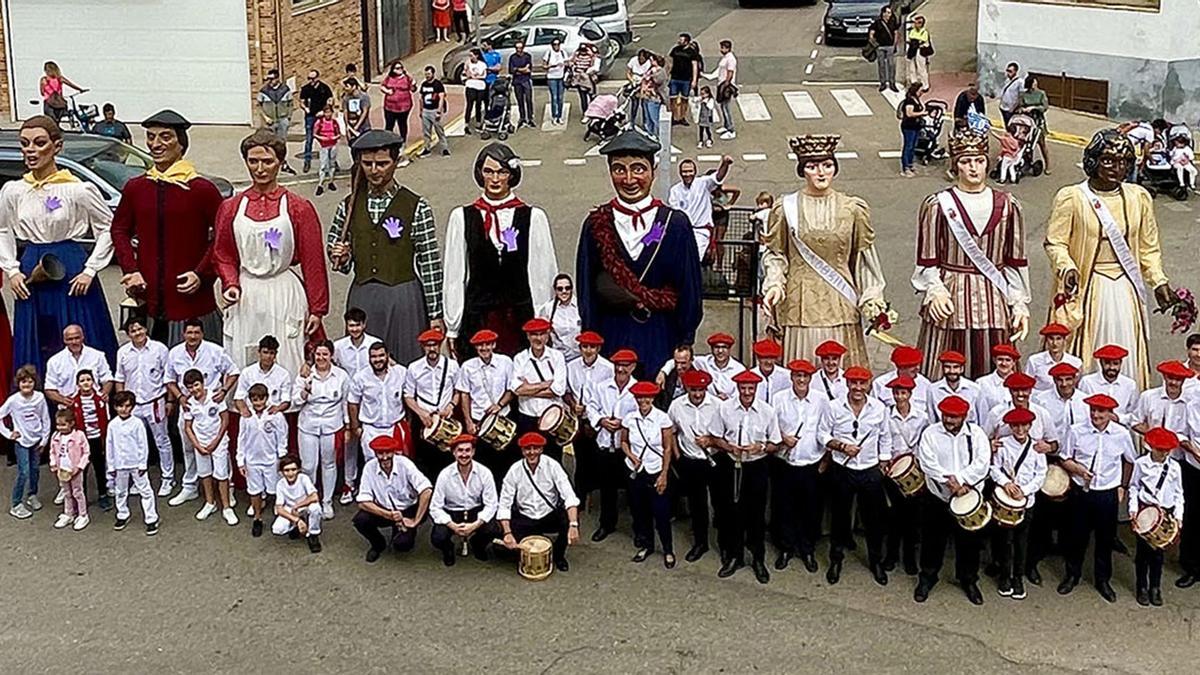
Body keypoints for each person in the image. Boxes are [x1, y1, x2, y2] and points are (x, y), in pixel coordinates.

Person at [1045, 129, 1173, 390]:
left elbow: (1149, 248)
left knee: (1125, 353)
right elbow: (1055, 242)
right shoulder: (1072, 197)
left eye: (1124, 161)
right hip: (1089, 289)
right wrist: (1066, 267)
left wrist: (1158, 281)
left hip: (1126, 289)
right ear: (1092, 161)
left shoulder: (1139, 198)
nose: (1117, 167)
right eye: (1108, 160)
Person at [576, 128, 703, 374]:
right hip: (612, 340)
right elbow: (586, 290)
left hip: (660, 339)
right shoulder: (595, 224)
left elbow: (689, 287)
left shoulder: (675, 224)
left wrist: (685, 340)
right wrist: (591, 338)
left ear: (653, 172)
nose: (629, 179)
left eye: (638, 168)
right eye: (619, 169)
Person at [0, 116, 116, 375]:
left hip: (71, 265)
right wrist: (12, 269)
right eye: (24, 144)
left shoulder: (79, 189)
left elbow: (109, 228)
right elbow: (2, 229)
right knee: (40, 333)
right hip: (31, 265)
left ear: (57, 146)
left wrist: (90, 269)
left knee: (79, 327)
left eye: (39, 143)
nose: (30, 150)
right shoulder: (13, 190)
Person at [762, 135, 887, 367]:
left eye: (827, 166)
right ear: (802, 171)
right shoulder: (785, 208)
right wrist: (774, 284)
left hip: (840, 301)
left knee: (840, 372)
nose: (820, 173)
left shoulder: (853, 209)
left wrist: (872, 297)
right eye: (812, 166)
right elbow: (776, 253)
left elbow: (864, 258)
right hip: (799, 302)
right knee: (802, 371)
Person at [913, 130, 1029, 380]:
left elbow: (1014, 262)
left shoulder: (1008, 205)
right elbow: (927, 260)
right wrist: (935, 290)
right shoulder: (938, 205)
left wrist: (1019, 302)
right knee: (947, 364)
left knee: (998, 364)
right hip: (952, 295)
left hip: (994, 297)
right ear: (956, 166)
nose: (974, 168)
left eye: (979, 160)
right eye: (966, 162)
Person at [214, 130, 328, 373]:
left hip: (283, 293)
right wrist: (230, 284)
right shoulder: (230, 208)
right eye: (253, 161)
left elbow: (313, 261)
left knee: (288, 357)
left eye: (267, 161)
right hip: (247, 294)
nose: (260, 168)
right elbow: (223, 254)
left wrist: (318, 309)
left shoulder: (299, 208)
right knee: (246, 359)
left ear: (280, 162)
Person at [328, 130, 444, 365]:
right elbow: (338, 257)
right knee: (362, 367)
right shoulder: (348, 206)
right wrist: (340, 254)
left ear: (395, 161)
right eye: (367, 163)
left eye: (382, 163)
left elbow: (430, 263)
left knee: (405, 364)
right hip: (363, 298)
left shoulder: (416, 206)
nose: (374, 170)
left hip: (404, 298)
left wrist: (435, 314)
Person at [112, 110, 224, 344]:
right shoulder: (137, 188)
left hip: (191, 303)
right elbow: (119, 230)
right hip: (149, 303)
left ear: (181, 144)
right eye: (151, 137)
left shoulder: (201, 190)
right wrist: (130, 270)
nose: (156, 144)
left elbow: (223, 237)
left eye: (165, 137)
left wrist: (201, 273)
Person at [444, 143, 557, 358]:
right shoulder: (461, 217)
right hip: (479, 318)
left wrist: (543, 320)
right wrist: (453, 326)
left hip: (519, 319)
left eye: (502, 172)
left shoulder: (534, 217)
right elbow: (454, 275)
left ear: (511, 175)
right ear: (480, 174)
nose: (495, 179)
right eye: (489, 171)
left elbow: (543, 274)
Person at [1057, 393, 1137, 602]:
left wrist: (1123, 486)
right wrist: (1079, 469)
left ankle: (1103, 580)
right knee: (1077, 536)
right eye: (1092, 410)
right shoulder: (1076, 431)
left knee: (1105, 538)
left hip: (1107, 493)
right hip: (1081, 492)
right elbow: (1064, 457)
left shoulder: (1121, 434)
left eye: (1101, 411)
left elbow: (1130, 461)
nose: (1095, 414)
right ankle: (1072, 575)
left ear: (1110, 413)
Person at [818, 366, 892, 586]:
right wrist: (841, 446)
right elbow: (822, 434)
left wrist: (883, 461)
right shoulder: (833, 407)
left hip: (870, 470)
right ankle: (836, 560)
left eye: (862, 383)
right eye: (853, 383)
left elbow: (885, 437)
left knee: (873, 520)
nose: (858, 388)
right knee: (840, 517)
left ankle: (875, 561)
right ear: (847, 384)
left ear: (868, 384)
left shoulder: (879, 408)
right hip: (843, 468)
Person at [913, 395, 990, 605]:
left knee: (969, 542)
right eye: (946, 416)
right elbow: (927, 462)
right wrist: (950, 483)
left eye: (954, 417)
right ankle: (927, 578)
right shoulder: (930, 433)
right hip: (938, 496)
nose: (949, 420)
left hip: (968, 496)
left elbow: (982, 462)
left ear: (964, 416)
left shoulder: (977, 434)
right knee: (932, 540)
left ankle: (968, 580)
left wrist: (962, 482)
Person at [708, 370, 782, 584]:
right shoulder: (725, 408)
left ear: (756, 389)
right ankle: (735, 556)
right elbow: (715, 437)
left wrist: (759, 446)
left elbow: (774, 443)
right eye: (743, 388)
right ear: (738, 388)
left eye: (751, 388)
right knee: (733, 512)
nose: (747, 392)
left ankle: (758, 559)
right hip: (732, 464)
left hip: (756, 465)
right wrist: (728, 446)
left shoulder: (767, 411)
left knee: (756, 514)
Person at [165, 319, 237, 506]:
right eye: (189, 333)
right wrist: (180, 397)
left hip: (213, 409)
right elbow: (169, 380)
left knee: (221, 449)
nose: (193, 336)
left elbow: (233, 371)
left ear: (202, 334)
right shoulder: (175, 353)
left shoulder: (215, 351)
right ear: (184, 334)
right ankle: (190, 487)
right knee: (189, 447)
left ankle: (227, 489)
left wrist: (224, 390)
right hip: (189, 408)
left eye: (197, 333)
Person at [497, 432, 581, 572]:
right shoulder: (514, 470)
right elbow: (504, 504)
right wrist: (507, 533)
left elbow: (569, 496)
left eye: (535, 448)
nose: (531, 452)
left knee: (568, 518)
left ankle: (559, 556)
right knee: (501, 543)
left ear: (541, 449)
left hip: (549, 515)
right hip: (526, 517)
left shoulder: (553, 465)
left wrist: (573, 525)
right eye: (527, 449)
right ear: (522, 451)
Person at [113, 316, 173, 496]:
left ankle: (167, 478)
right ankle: (138, 480)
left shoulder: (159, 349)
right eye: (133, 330)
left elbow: (169, 377)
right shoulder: (123, 352)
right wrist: (120, 402)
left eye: (140, 329)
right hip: (131, 405)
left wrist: (170, 401)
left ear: (145, 329)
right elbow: (120, 378)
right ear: (128, 333)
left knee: (162, 440)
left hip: (155, 402)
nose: (137, 333)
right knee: (133, 443)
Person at [990, 407, 1047, 600]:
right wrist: (1006, 483)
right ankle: (1005, 575)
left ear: (1030, 426)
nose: (1020, 429)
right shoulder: (1003, 445)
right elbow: (994, 468)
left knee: (1022, 542)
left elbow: (1041, 474)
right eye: (1016, 426)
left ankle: (1018, 578)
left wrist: (1025, 490)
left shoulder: (1037, 448)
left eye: (1024, 425)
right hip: (1006, 500)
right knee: (1005, 541)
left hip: (1026, 501)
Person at [583, 348, 639, 540]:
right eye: (618, 365)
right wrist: (601, 420)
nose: (621, 369)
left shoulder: (637, 389)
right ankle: (606, 524)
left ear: (632, 367)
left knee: (633, 490)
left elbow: (639, 415)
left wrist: (622, 423)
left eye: (625, 365)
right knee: (607, 488)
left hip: (626, 448)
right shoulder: (602, 386)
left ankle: (638, 529)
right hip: (605, 444)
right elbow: (591, 406)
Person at [292, 340, 349, 520]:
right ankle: (310, 501)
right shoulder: (304, 375)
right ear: (313, 356)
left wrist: (347, 427)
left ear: (331, 355)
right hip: (308, 425)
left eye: (325, 354)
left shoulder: (341, 376)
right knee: (308, 466)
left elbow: (346, 403)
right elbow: (295, 401)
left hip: (332, 426)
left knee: (329, 464)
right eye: (318, 354)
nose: (321, 358)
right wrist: (305, 391)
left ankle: (327, 501)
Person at [621, 381, 676, 567]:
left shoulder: (662, 418)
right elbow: (624, 442)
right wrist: (631, 456)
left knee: (661, 512)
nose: (643, 401)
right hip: (636, 470)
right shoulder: (630, 418)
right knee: (640, 510)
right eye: (639, 397)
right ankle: (647, 545)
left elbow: (667, 448)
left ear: (652, 398)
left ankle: (668, 549)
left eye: (646, 397)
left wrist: (664, 474)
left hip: (655, 469)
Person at [1129, 427, 1185, 606]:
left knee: (1158, 555)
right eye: (1160, 449)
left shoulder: (1174, 467)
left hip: (1165, 511)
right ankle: (1141, 587)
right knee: (1142, 554)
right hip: (1145, 511)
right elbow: (1134, 487)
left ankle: (1155, 587)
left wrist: (1178, 515)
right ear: (1151, 447)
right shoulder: (1141, 464)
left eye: (1167, 450)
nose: (1164, 453)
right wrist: (1133, 509)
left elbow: (1178, 493)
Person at [668, 368, 719, 563]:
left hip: (714, 460)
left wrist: (711, 440)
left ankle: (724, 543)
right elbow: (671, 431)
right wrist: (678, 456)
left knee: (720, 502)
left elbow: (725, 434)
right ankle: (701, 543)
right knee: (697, 504)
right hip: (690, 461)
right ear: (687, 388)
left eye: (701, 390)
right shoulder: (676, 405)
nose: (697, 394)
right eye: (693, 390)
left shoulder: (717, 405)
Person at [348, 341, 409, 492]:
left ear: (388, 356)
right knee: (373, 466)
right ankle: (375, 499)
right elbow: (352, 403)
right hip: (371, 429)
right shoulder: (360, 377)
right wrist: (356, 428)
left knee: (398, 465)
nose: (378, 359)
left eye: (381, 355)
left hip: (394, 428)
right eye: (374, 357)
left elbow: (409, 398)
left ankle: (396, 497)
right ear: (369, 358)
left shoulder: (401, 372)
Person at [430, 434, 499, 566]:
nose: (464, 454)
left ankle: (478, 544)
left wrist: (474, 525)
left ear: (473, 452)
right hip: (452, 513)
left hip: (475, 511)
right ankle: (448, 549)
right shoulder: (444, 475)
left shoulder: (485, 473)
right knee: (438, 537)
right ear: (454, 453)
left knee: (493, 529)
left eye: (467, 450)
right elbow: (435, 507)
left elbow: (492, 504)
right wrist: (453, 526)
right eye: (460, 450)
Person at [882, 374, 927, 575]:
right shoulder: (886, 415)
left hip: (914, 469)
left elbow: (923, 442)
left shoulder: (922, 416)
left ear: (910, 394)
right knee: (893, 516)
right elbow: (883, 440)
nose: (900, 397)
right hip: (893, 470)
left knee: (913, 518)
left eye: (903, 393)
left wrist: (916, 461)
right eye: (897, 393)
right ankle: (891, 556)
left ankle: (910, 559)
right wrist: (885, 462)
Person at [182, 368, 235, 526]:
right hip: (201, 444)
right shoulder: (189, 403)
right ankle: (210, 503)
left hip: (218, 442)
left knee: (221, 474)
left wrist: (216, 441)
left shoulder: (215, 396)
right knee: (205, 474)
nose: (194, 389)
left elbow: (225, 420)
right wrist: (197, 445)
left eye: (196, 385)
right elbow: (188, 427)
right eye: (190, 387)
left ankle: (226, 508)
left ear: (203, 383)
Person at [454, 329, 514, 470]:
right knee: (482, 463)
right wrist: (468, 421)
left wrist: (499, 405)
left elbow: (512, 389)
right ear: (475, 347)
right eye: (480, 345)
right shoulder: (467, 366)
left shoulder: (505, 362)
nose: (484, 348)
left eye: (488, 344)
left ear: (494, 345)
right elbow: (465, 395)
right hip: (479, 421)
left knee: (505, 461)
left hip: (502, 418)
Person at [403, 329, 460, 475]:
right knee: (425, 461)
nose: (432, 348)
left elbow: (458, 391)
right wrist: (421, 413)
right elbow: (408, 396)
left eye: (435, 345)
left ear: (440, 345)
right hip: (424, 420)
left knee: (448, 459)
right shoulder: (414, 368)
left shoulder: (452, 366)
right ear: (423, 347)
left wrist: (451, 406)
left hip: (446, 418)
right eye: (428, 345)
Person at [105, 390, 160, 535]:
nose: (124, 409)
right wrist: (111, 466)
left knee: (145, 491)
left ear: (132, 407)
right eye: (120, 406)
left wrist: (143, 463)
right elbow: (109, 445)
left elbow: (143, 444)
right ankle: (122, 514)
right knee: (121, 491)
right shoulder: (112, 424)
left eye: (128, 406)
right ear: (115, 407)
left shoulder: (137, 423)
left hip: (135, 463)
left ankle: (151, 518)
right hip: (119, 464)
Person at [238, 383, 288, 538]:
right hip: (252, 461)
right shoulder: (246, 417)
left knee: (275, 490)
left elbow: (282, 437)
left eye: (261, 399)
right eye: (254, 400)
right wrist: (241, 460)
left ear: (267, 398)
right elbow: (241, 439)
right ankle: (257, 518)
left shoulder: (275, 415)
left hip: (271, 460)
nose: (258, 403)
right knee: (255, 491)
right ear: (250, 400)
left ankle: (281, 515)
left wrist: (281, 457)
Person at [1, 365, 50, 519]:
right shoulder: (13, 400)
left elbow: (45, 419)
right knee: (24, 472)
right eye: (23, 382)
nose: (26, 385)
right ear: (18, 383)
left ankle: (32, 494)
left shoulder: (40, 398)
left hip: (36, 441)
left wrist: (44, 439)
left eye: (29, 382)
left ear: (34, 383)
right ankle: (16, 504)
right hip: (22, 442)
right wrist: (8, 434)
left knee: (35, 469)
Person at [669, 156, 733, 263]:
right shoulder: (675, 190)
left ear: (695, 172)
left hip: (700, 231)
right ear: (680, 173)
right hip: (683, 231)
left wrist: (725, 164)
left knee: (693, 260)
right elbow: (676, 212)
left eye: (690, 171)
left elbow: (718, 177)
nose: (687, 174)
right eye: (684, 172)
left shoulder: (703, 183)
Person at [1078, 345, 1141, 426]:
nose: (1111, 367)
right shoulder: (1087, 382)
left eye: (1115, 364)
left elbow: (1135, 414)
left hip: (1119, 432)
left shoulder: (1130, 384)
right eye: (1107, 363)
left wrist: (1118, 418)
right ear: (1101, 363)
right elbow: (1081, 409)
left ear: (1121, 364)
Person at [272, 455, 323, 552]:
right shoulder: (280, 484)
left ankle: (313, 534)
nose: (290, 473)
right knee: (277, 529)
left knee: (315, 508)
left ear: (298, 470)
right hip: (290, 510)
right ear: (281, 472)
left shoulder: (304, 478)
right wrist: (296, 520)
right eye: (287, 470)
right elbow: (279, 508)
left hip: (304, 506)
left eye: (293, 469)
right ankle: (296, 526)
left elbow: (314, 497)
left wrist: (297, 506)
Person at [49, 409, 88, 530]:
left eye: (63, 424)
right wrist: (54, 464)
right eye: (58, 425)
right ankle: (69, 513)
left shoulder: (79, 435)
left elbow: (86, 452)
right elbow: (52, 452)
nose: (60, 428)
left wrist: (79, 467)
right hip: (62, 470)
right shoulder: (56, 437)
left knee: (77, 492)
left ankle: (83, 514)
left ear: (71, 423)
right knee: (66, 492)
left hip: (75, 470)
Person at [257, 68, 297, 176]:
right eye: (268, 79)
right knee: (268, 143)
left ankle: (283, 163)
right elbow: (259, 106)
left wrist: (288, 118)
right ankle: (270, 163)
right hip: (270, 120)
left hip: (282, 120)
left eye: (272, 79)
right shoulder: (263, 91)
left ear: (277, 78)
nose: (270, 81)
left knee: (281, 143)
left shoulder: (285, 90)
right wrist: (265, 118)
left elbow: (291, 105)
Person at [872, 345, 932, 410]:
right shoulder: (880, 383)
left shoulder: (926, 384)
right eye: (912, 365)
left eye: (918, 364)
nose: (917, 368)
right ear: (900, 367)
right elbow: (872, 409)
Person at [537, 274, 581, 361]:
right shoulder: (548, 309)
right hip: (558, 358)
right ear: (555, 290)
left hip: (579, 357)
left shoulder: (581, 306)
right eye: (560, 289)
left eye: (567, 288)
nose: (564, 291)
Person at [1027, 322, 1082, 392]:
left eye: (1058, 339)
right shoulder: (1034, 360)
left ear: (1064, 340)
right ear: (1046, 340)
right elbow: (1027, 385)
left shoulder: (1075, 362)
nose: (1054, 343)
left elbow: (1077, 387)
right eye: (1051, 339)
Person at [299, 70, 334, 173]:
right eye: (309, 78)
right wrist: (305, 108)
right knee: (309, 139)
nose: (311, 81)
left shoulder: (324, 88)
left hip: (322, 116)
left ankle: (332, 162)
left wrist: (324, 112)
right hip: (310, 116)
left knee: (327, 139)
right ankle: (307, 161)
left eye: (313, 78)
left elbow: (330, 100)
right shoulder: (305, 89)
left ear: (317, 78)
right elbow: (301, 102)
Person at [1016, 75, 1051, 175]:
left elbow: (1045, 107)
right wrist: (1022, 109)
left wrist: (1033, 107)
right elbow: (1020, 105)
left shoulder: (1041, 94)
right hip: (1027, 121)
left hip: (1037, 121)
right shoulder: (1023, 95)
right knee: (1026, 143)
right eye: (1034, 83)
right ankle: (1028, 162)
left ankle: (1048, 164)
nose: (1036, 85)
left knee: (1041, 143)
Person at [380, 61, 416, 152]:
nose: (399, 70)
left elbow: (413, 89)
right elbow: (382, 86)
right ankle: (388, 143)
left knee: (402, 124)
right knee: (389, 125)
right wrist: (387, 91)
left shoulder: (407, 78)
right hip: (390, 106)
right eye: (397, 68)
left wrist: (413, 84)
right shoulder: (389, 78)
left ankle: (403, 141)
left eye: (400, 68)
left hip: (404, 107)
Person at [668, 33, 701, 126]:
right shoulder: (675, 50)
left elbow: (695, 66)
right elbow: (670, 62)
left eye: (681, 40)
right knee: (673, 98)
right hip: (675, 77)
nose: (679, 41)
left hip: (686, 79)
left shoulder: (692, 52)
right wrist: (667, 74)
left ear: (686, 41)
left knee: (684, 99)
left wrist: (694, 80)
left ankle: (682, 117)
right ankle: (674, 116)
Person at [419, 66, 451, 157]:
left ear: (433, 74)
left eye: (429, 74)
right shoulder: (424, 84)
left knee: (439, 131)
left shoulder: (438, 85)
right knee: (426, 131)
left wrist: (439, 111)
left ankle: (445, 148)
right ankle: (426, 148)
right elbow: (421, 98)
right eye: (426, 74)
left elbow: (441, 98)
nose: (427, 76)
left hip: (434, 110)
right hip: (426, 110)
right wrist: (421, 110)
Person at [868, 6, 900, 93]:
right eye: (888, 12)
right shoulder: (877, 23)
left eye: (890, 13)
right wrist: (875, 44)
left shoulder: (893, 23)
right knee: (881, 65)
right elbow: (871, 34)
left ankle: (892, 83)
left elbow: (896, 33)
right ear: (883, 13)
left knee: (891, 65)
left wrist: (894, 44)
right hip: (880, 47)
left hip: (890, 46)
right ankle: (883, 83)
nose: (889, 15)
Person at [313, 102, 341, 196]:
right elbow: (315, 134)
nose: (328, 114)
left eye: (329, 112)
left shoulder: (334, 122)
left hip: (333, 145)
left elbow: (339, 134)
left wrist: (335, 138)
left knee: (332, 163)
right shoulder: (319, 122)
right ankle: (320, 184)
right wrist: (322, 138)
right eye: (326, 112)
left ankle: (331, 181)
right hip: (324, 146)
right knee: (323, 164)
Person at [898, 83, 926, 177]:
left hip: (916, 126)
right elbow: (909, 113)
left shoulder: (916, 99)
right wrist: (921, 113)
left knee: (913, 146)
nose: (921, 92)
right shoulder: (909, 101)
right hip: (909, 126)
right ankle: (905, 167)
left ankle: (910, 164)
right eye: (920, 90)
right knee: (908, 146)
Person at [712, 40, 738, 139]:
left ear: (727, 48)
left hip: (726, 85)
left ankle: (731, 129)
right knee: (723, 106)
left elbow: (730, 72)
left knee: (726, 107)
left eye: (722, 48)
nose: (721, 49)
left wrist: (726, 84)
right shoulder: (725, 58)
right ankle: (726, 126)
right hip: (721, 83)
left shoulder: (731, 59)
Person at [638, 54, 669, 136]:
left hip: (654, 98)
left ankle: (659, 136)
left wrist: (652, 74)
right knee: (648, 120)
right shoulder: (650, 69)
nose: (650, 62)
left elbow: (657, 81)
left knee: (655, 119)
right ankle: (650, 135)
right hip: (646, 97)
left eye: (652, 60)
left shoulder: (661, 71)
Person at [543, 38, 569, 126]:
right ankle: (554, 116)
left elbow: (567, 63)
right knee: (554, 97)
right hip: (552, 77)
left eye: (558, 44)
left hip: (561, 77)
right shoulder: (549, 53)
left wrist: (564, 64)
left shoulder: (563, 52)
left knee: (560, 98)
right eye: (555, 44)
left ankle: (560, 116)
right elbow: (544, 66)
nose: (556, 46)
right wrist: (550, 66)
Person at [509, 41, 535, 129]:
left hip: (526, 80)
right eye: (517, 48)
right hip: (517, 82)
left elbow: (529, 69)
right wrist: (522, 69)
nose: (518, 50)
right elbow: (511, 70)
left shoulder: (527, 56)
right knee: (520, 100)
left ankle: (530, 118)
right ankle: (522, 117)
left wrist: (518, 70)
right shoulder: (512, 57)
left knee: (528, 99)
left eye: (520, 48)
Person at [570, 43, 601, 113]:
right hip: (579, 79)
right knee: (583, 97)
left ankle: (593, 112)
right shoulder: (576, 55)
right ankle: (586, 112)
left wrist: (587, 72)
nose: (583, 52)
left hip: (589, 79)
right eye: (581, 50)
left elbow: (596, 68)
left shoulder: (593, 56)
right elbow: (571, 64)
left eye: (584, 50)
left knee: (592, 96)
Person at [904, 14, 932, 91]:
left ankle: (925, 85)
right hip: (912, 50)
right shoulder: (912, 31)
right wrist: (916, 40)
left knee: (921, 68)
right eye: (916, 22)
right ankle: (914, 81)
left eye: (919, 22)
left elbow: (923, 39)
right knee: (912, 67)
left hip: (920, 51)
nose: (917, 24)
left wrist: (916, 40)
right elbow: (911, 38)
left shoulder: (924, 32)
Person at [341, 78, 372, 146]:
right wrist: (347, 126)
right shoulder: (346, 98)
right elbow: (345, 112)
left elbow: (365, 112)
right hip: (351, 124)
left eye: (347, 86)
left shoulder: (363, 97)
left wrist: (357, 126)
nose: (346, 88)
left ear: (354, 86)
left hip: (363, 126)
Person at [464, 50, 487, 135]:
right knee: (469, 105)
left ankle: (478, 122)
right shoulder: (468, 64)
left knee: (478, 104)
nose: (470, 58)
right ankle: (466, 124)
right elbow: (467, 74)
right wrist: (468, 69)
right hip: (470, 85)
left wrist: (475, 77)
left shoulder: (482, 64)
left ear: (477, 56)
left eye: (472, 55)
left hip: (480, 86)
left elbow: (483, 75)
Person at [998, 62, 1023, 127]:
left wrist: (1014, 108)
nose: (1008, 73)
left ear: (1015, 71)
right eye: (1007, 71)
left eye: (1010, 71)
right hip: (1003, 107)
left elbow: (1021, 96)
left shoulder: (1019, 82)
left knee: (1012, 126)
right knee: (1007, 126)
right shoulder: (1007, 80)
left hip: (1011, 109)